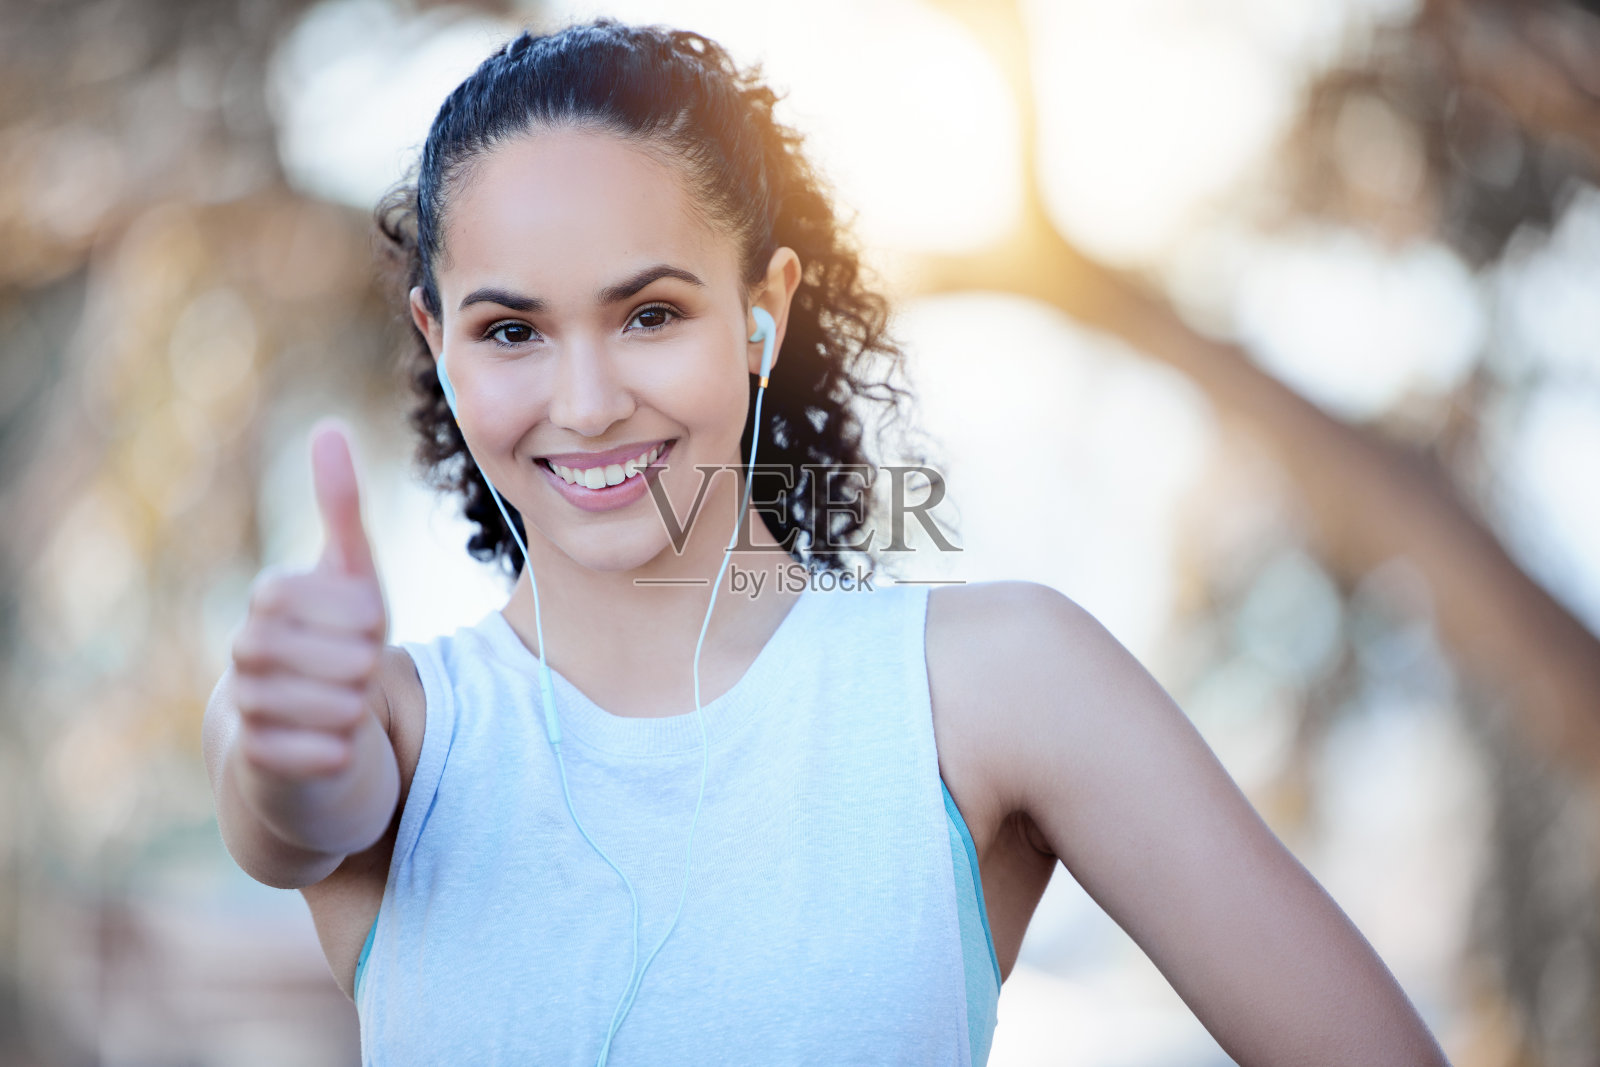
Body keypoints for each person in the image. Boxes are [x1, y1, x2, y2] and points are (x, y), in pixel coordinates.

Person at [201, 17, 1452, 1067]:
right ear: (436, 339)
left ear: (763, 309)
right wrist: (288, 740)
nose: (583, 401)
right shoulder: (385, 721)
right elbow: (298, 804)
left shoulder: (991, 684)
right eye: (511, 332)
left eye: (648, 312)